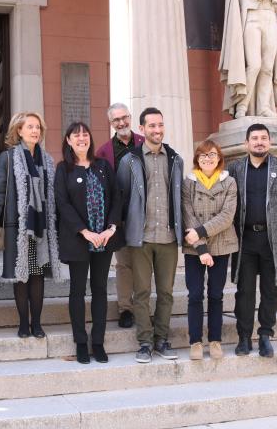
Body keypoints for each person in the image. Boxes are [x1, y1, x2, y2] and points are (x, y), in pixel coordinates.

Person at [0, 112, 61, 339]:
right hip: (19, 228)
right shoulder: (8, 158)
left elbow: (54, 196)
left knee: (37, 275)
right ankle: (24, 323)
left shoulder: (47, 160)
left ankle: (37, 323)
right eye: (30, 127)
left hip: (42, 227)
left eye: (38, 127)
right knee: (21, 276)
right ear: (19, 131)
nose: (35, 131)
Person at [116, 107, 183, 364]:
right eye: (151, 126)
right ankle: (145, 342)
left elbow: (180, 197)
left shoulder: (175, 159)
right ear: (141, 130)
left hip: (168, 237)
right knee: (141, 292)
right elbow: (121, 197)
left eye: (160, 125)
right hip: (140, 238)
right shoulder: (129, 160)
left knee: (165, 292)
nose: (157, 130)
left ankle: (162, 340)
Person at [228, 123, 277, 357]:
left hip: (274, 240)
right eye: (255, 138)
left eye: (264, 138)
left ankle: (266, 335)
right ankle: (244, 337)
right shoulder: (235, 169)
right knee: (245, 291)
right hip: (246, 239)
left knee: (272, 290)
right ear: (246, 143)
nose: (259, 142)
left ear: (270, 141)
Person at [55, 122, 124, 364]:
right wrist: (85, 232)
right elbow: (62, 204)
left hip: (104, 239)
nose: (82, 138)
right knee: (77, 291)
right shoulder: (63, 169)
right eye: (77, 135)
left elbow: (117, 197)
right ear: (68, 141)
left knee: (100, 290)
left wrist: (112, 228)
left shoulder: (102, 166)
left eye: (86, 134)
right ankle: (81, 342)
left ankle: (98, 342)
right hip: (79, 240)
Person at [182, 140, 238, 360]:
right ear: (197, 158)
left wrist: (202, 231)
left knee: (216, 295)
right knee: (195, 295)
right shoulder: (189, 182)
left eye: (212, 154)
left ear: (219, 157)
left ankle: (215, 340)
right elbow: (188, 215)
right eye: (203, 155)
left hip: (222, 245)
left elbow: (227, 216)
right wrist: (201, 248)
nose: (208, 158)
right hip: (194, 247)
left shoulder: (229, 182)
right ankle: (195, 342)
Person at [96, 102, 145, 328]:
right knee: (124, 265)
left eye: (124, 117)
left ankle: (143, 307)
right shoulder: (104, 151)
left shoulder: (145, 143)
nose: (122, 122)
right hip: (120, 218)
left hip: (146, 217)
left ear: (130, 117)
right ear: (111, 123)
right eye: (116, 120)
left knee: (144, 264)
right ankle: (126, 308)